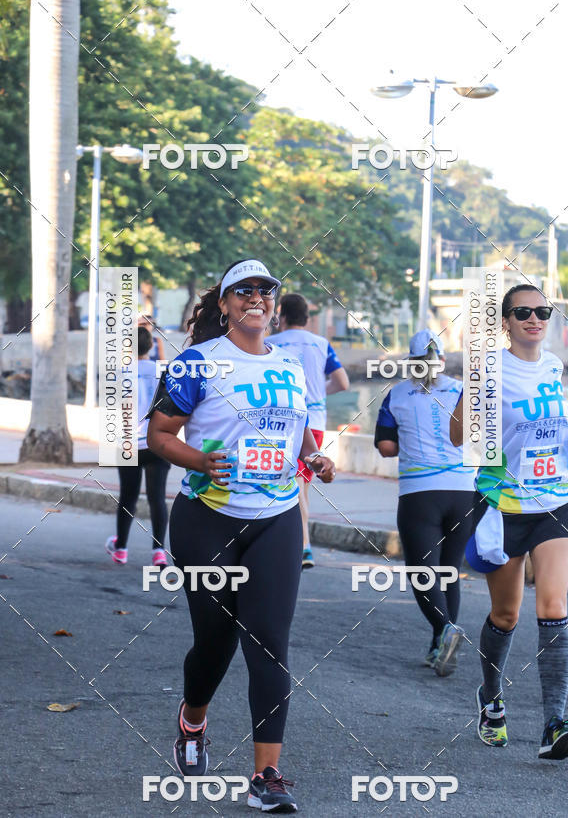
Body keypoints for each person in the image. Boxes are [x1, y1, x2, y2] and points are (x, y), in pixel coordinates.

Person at [147, 259, 336, 813]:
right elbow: (159, 434)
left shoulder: (292, 363)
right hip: (207, 519)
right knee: (216, 640)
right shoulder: (196, 364)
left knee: (269, 643)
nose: (257, 298)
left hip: (277, 518)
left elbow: (297, 433)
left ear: (275, 303)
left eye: (266, 291)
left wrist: (315, 459)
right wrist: (200, 460)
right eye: (244, 291)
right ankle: (193, 719)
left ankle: (267, 775)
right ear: (225, 304)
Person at [450, 284, 568, 759]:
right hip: (503, 506)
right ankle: (491, 698)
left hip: (555, 501)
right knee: (506, 615)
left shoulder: (553, 364)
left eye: (542, 311)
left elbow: (542, 422)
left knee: (553, 606)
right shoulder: (489, 367)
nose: (535, 318)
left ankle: (555, 722)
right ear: (506, 320)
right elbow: (458, 437)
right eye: (523, 312)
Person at [374, 329, 476, 676]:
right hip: (464, 492)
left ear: (410, 364)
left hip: (420, 493)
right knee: (449, 571)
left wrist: (412, 439)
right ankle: (439, 644)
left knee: (422, 572)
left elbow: (385, 447)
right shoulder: (464, 390)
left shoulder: (397, 395)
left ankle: (446, 630)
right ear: (443, 360)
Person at [270, 293, 349, 569]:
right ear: (307, 317)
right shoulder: (321, 344)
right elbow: (342, 382)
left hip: (285, 419)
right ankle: (299, 541)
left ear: (283, 315)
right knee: (302, 482)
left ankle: (303, 545)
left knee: (297, 483)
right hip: (315, 420)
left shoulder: (270, 343)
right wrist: (319, 396)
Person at [105, 326, 171, 566]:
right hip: (156, 443)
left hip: (128, 444)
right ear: (151, 347)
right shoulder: (162, 372)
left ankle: (121, 548)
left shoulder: (118, 374)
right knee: (158, 499)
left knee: (128, 497)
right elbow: (169, 407)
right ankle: (158, 552)